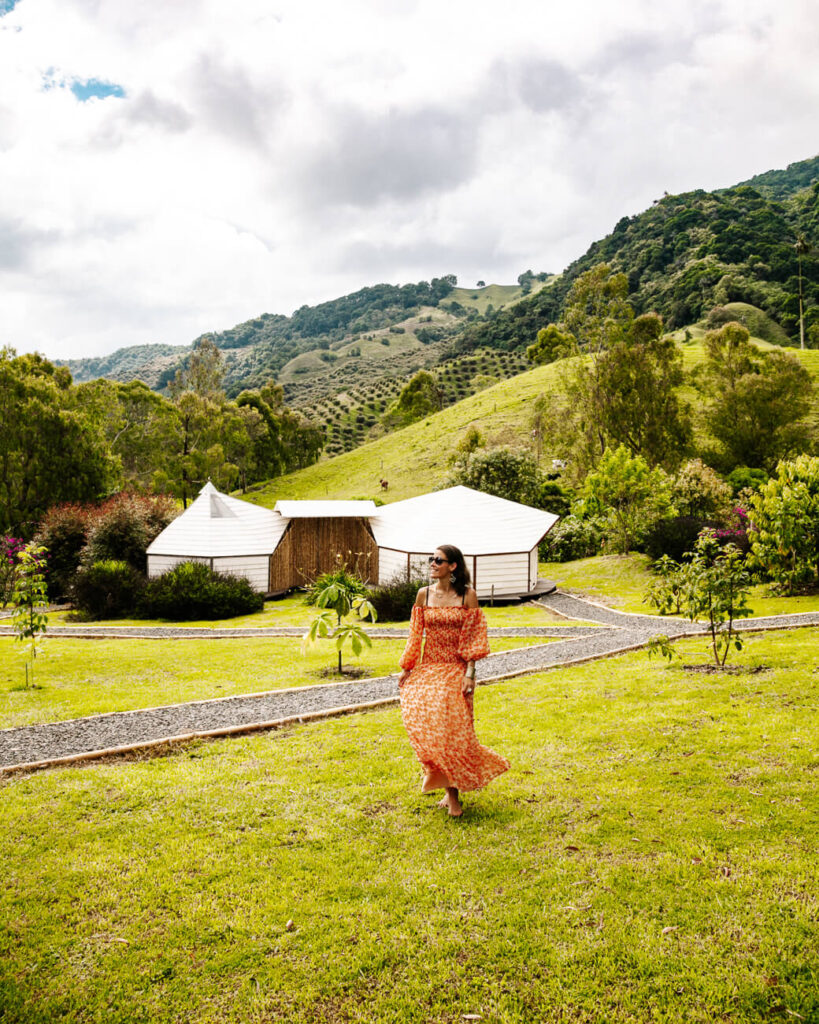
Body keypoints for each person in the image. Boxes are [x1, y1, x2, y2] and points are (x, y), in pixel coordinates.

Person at [397, 543, 510, 818]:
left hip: (456, 669)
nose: (432, 564)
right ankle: (444, 786)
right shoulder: (423, 595)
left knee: (452, 731)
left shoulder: (467, 596)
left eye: (438, 560)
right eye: (431, 559)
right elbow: (415, 635)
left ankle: (453, 797)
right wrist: (407, 667)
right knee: (426, 725)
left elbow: (474, 638)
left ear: (453, 566)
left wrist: (470, 674)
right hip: (429, 666)